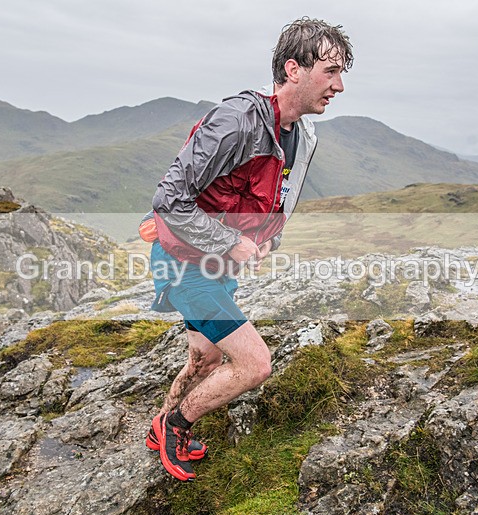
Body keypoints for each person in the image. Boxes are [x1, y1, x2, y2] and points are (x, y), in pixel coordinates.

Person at [139, 17, 353, 482]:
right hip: (183, 264)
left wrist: (269, 234)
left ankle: (161, 426)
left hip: (214, 268)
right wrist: (230, 241)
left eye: (342, 75)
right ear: (293, 69)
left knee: (206, 358)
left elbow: (278, 192)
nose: (338, 86)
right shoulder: (236, 122)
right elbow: (168, 200)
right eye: (330, 72)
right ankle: (175, 426)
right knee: (254, 363)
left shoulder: (299, 133)